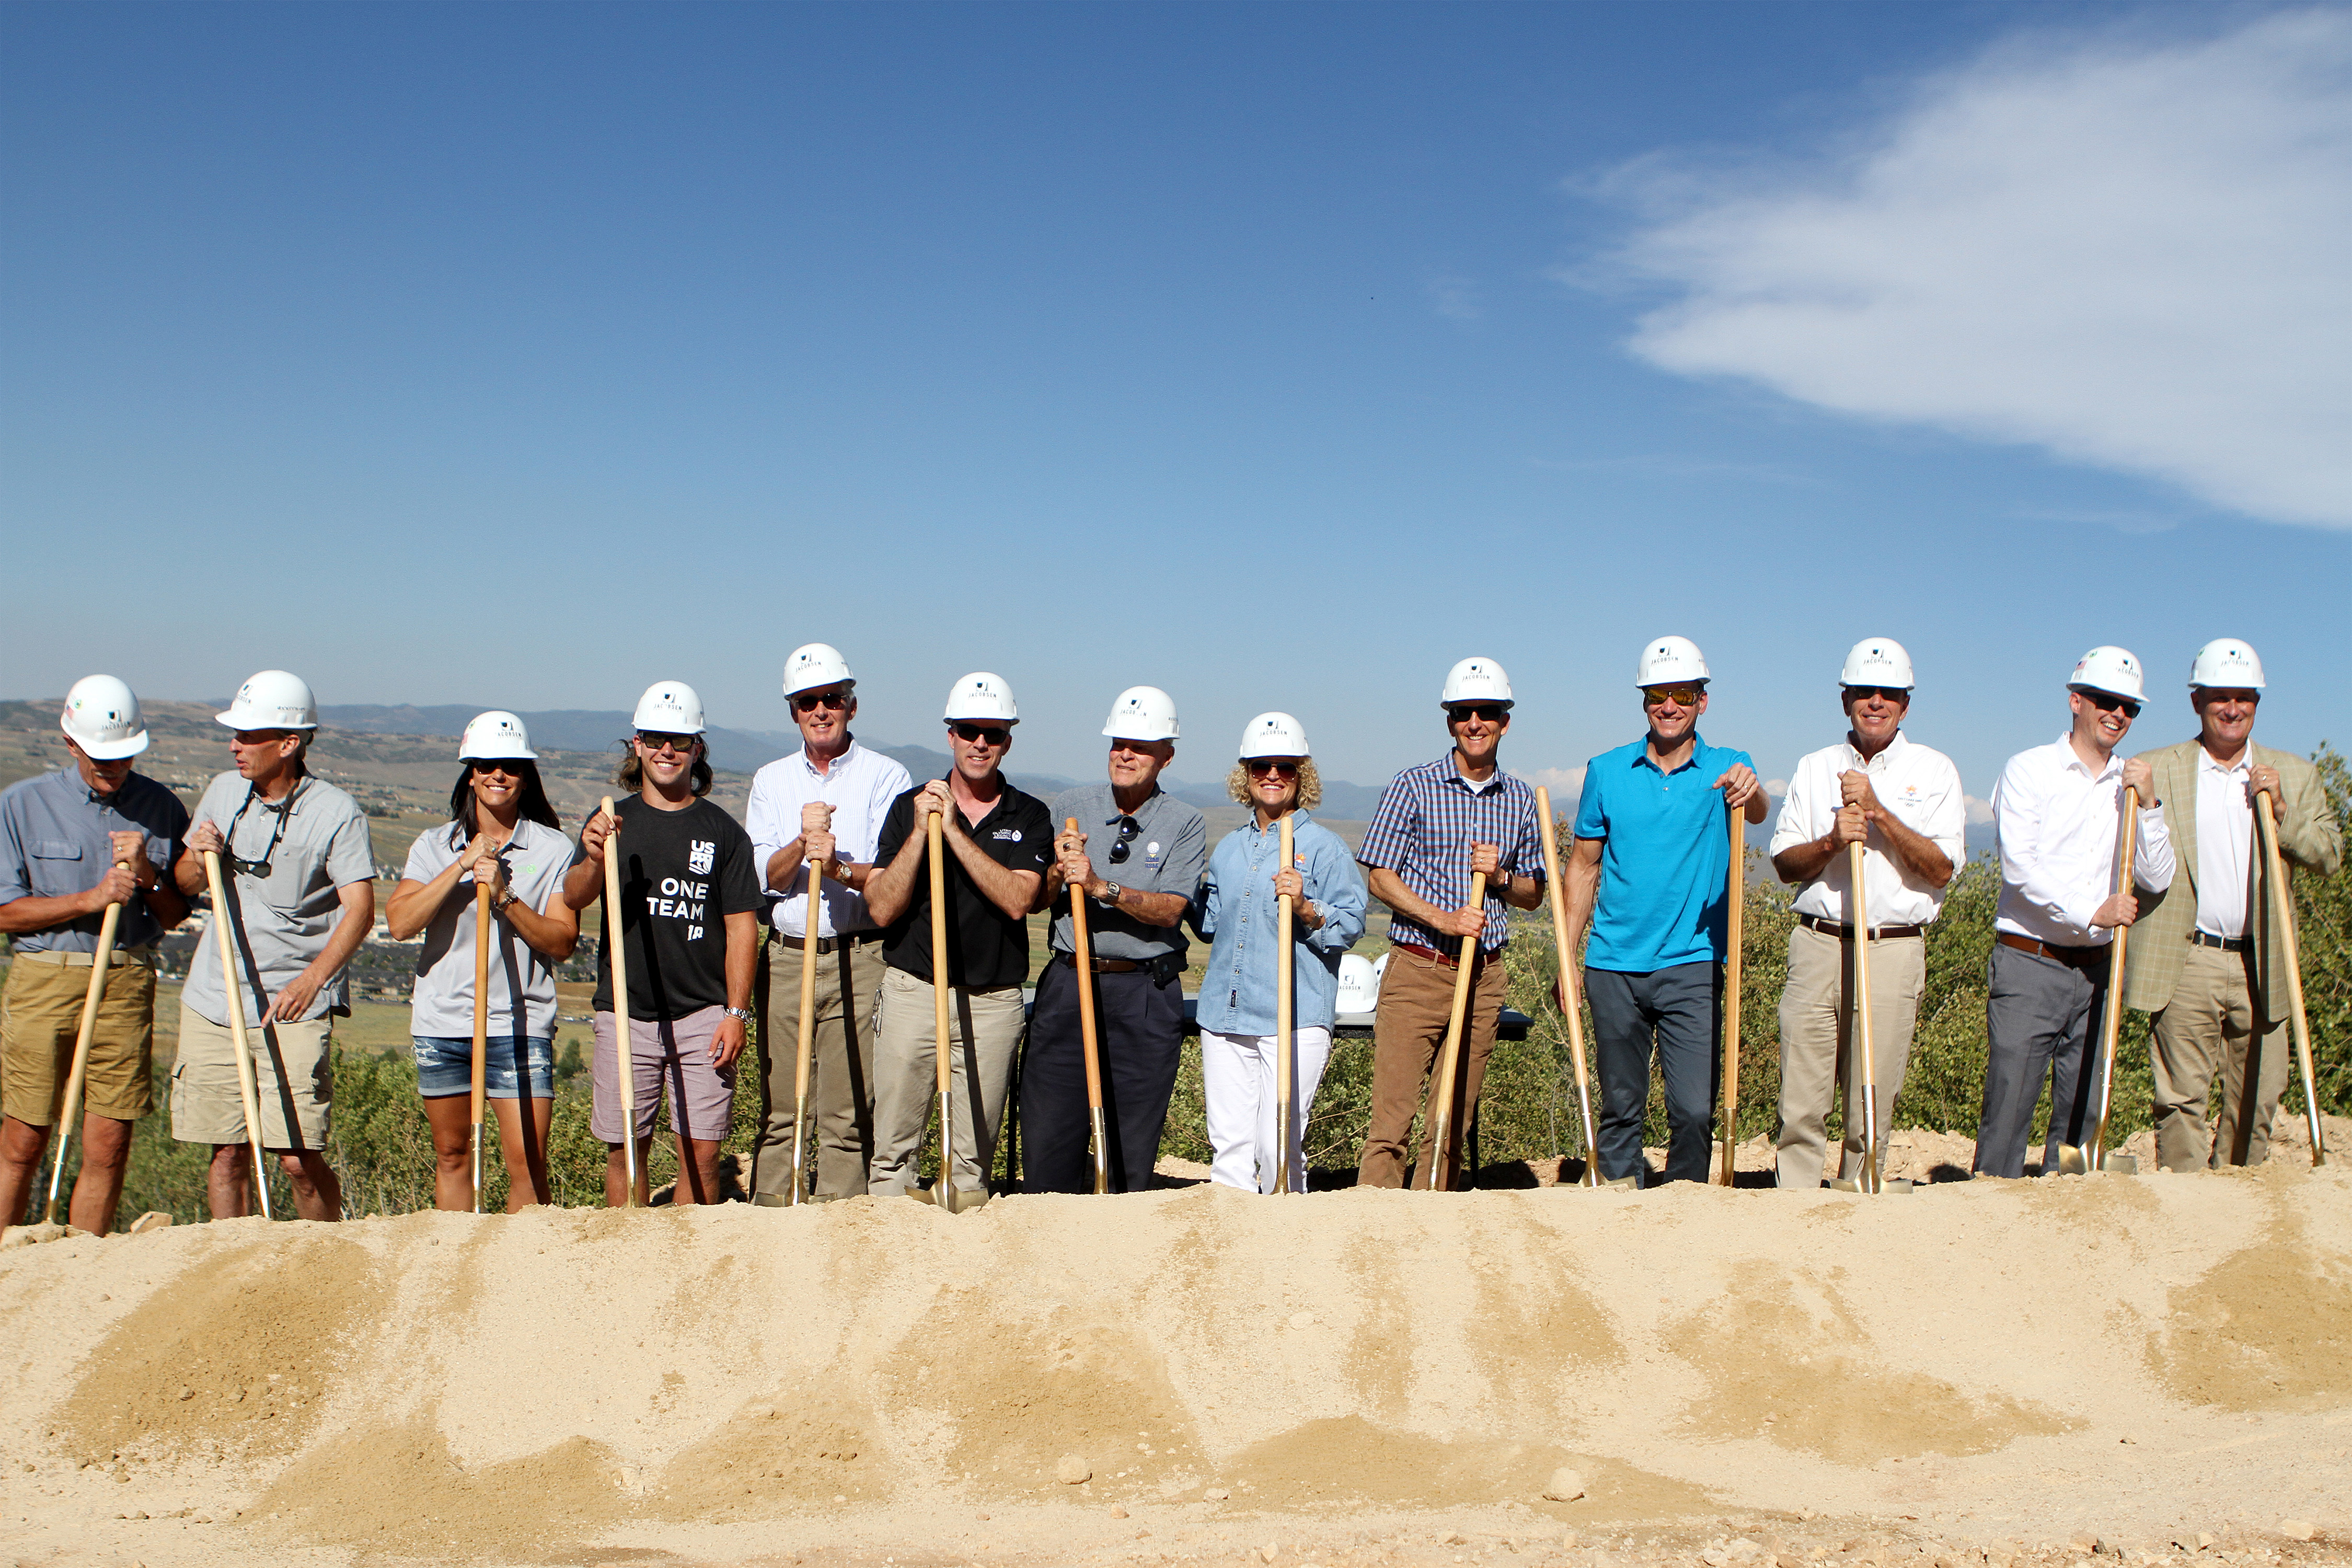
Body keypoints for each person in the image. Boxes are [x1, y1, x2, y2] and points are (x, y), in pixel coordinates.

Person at [2123, 639, 2342, 1170]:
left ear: (2257, 703)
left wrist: (2284, 813)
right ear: (2197, 700)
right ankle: (2187, 1214)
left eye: (2244, 697)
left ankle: (2242, 1215)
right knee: (2179, 1101)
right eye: (2220, 696)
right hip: (2188, 956)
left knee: (2259, 1099)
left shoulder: (2293, 774)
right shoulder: (2157, 768)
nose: (2233, 708)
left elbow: (2331, 855)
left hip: (2263, 959)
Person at [170, 670, 375, 1221]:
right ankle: (232, 1270)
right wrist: (197, 854)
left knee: (296, 1157)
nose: (234, 745)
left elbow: (361, 910)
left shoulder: (337, 813)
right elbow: (186, 884)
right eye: (233, 734)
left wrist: (312, 981)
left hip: (293, 1005)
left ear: (289, 745)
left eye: (247, 735)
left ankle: (327, 1256)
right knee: (227, 1154)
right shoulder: (221, 790)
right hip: (216, 998)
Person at [1561, 637, 1766, 1186]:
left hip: (1691, 962)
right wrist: (1567, 955)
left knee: (1695, 1112)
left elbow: (1760, 808)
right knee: (1622, 1109)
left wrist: (1754, 789)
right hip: (1613, 964)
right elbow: (1583, 866)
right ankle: (1619, 1213)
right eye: (1658, 693)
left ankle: (1688, 1213)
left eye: (1682, 693)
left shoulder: (1730, 768)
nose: (1669, 705)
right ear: (1644, 699)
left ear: (1703, 700)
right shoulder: (1607, 770)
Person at [1767, 640, 1964, 1189]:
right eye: (1863, 692)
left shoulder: (1934, 770)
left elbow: (1942, 869)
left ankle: (1860, 1199)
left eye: (1889, 693)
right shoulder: (1815, 768)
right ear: (1845, 698)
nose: (1875, 702)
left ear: (1906, 703)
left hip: (1893, 946)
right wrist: (1832, 840)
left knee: (1870, 1096)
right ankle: (1797, 1201)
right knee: (1801, 1095)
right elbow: (1785, 863)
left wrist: (1879, 814)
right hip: (1820, 943)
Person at [1973, 646, 2175, 1179]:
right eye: (2107, 701)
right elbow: (2021, 869)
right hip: (2030, 963)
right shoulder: (2029, 770)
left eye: (2130, 707)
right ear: (2076, 700)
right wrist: (2094, 911)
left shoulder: (2130, 787)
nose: (2118, 715)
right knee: (2010, 1106)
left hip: (2097, 972)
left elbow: (2158, 878)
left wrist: (2150, 807)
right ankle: (1991, 1210)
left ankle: (2065, 1209)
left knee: (2082, 1111)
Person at [0, 677, 191, 1233]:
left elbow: (176, 914)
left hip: (126, 979)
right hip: (44, 977)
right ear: (70, 742)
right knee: (24, 1137)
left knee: (109, 1142)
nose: (114, 766)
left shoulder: (161, 808)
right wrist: (92, 898)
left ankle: (82, 1265)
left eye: (125, 756)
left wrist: (151, 875)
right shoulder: (21, 805)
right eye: (102, 756)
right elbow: (5, 913)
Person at [560, 682, 760, 1207]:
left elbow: (743, 927)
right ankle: (628, 1261)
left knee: (700, 1153)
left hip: (702, 1015)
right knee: (627, 1151)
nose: (665, 750)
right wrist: (592, 854)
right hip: (627, 1013)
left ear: (698, 747)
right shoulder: (611, 823)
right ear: (637, 745)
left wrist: (737, 1014)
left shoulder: (723, 832)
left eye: (678, 740)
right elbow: (575, 895)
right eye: (654, 738)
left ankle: (686, 1266)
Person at [1355, 658, 1546, 1190]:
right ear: (1450, 720)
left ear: (1505, 722)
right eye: (1465, 712)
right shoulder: (1413, 787)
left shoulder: (1523, 800)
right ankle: (1369, 1236)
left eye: (1487, 712)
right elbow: (1379, 877)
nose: (1475, 722)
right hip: (1419, 968)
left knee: (1449, 1126)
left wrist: (1502, 876)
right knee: (1391, 1124)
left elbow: (1533, 894)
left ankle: (1432, 1239)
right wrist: (1446, 918)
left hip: (1483, 978)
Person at [862, 673, 1051, 1208]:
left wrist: (955, 836)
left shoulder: (1029, 814)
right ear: (951, 735)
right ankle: (885, 1256)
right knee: (893, 1150)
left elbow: (1018, 898)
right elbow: (881, 907)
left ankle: (961, 1269)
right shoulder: (908, 808)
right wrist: (924, 831)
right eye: (969, 731)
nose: (980, 743)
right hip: (913, 991)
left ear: (1008, 740)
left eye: (993, 733)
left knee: (971, 1161)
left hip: (991, 1002)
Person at [385, 712, 580, 1211]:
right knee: (452, 1155)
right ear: (470, 772)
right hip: (444, 1023)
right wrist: (461, 866)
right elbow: (402, 922)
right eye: (487, 765)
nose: (499, 774)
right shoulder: (434, 845)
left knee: (528, 1161)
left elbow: (561, 941)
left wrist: (504, 897)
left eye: (511, 766)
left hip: (518, 1024)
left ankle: (520, 1273)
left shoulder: (553, 847)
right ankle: (455, 1268)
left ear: (526, 775)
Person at [743, 643, 911, 1202]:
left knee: (846, 1109)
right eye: (808, 701)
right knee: (783, 1107)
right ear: (793, 711)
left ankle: (838, 1232)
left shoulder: (887, 777)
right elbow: (766, 874)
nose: (821, 710)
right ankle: (772, 1214)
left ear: (852, 706)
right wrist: (801, 843)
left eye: (832, 699)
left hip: (858, 956)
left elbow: (889, 874)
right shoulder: (771, 780)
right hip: (788, 956)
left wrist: (835, 865)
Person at [1028, 686, 1209, 1194]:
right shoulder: (1069, 806)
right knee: (1049, 1142)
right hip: (1070, 983)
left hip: (1143, 995)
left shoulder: (1185, 823)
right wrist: (1060, 872)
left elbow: (1171, 909)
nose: (1125, 754)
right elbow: (1038, 899)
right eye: (1119, 743)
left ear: (1166, 756)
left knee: (1131, 1150)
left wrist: (1100, 886)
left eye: (1142, 746)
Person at [1193, 712, 1366, 1194]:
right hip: (1226, 1014)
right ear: (1244, 774)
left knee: (1277, 1146)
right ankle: (1234, 1251)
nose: (1272, 775)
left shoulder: (1326, 849)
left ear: (1301, 775)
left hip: (1293, 1017)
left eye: (1285, 766)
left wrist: (1308, 907)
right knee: (1229, 1148)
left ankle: (1287, 1246)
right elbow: (1209, 926)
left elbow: (1351, 926)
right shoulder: (1227, 849)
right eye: (1260, 766)